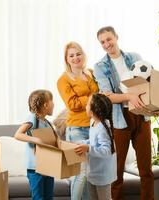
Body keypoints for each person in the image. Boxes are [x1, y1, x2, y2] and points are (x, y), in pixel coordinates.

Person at [93, 26, 154, 200]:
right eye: (102, 42)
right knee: (116, 170)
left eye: (109, 39)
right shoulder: (100, 66)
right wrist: (129, 96)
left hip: (141, 116)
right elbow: (107, 96)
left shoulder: (135, 58)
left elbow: (148, 83)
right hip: (119, 119)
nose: (106, 44)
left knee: (146, 169)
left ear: (116, 37)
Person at [57, 41, 99, 200]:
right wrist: (92, 97)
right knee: (80, 174)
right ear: (67, 59)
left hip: (94, 127)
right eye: (71, 55)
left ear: (83, 55)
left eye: (78, 54)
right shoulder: (64, 80)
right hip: (77, 129)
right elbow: (72, 104)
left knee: (88, 175)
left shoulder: (91, 73)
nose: (75, 58)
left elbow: (102, 93)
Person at [74, 93, 117, 200]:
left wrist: (88, 148)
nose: (85, 106)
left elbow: (106, 151)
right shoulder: (93, 122)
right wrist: (83, 142)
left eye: (88, 104)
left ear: (93, 111)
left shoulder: (103, 128)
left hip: (103, 175)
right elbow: (93, 141)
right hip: (93, 171)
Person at [14, 89, 55, 200]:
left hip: (48, 166)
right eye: (52, 101)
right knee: (38, 198)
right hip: (35, 168)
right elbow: (18, 134)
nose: (54, 104)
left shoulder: (47, 122)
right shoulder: (33, 118)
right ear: (46, 105)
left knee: (48, 197)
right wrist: (36, 140)